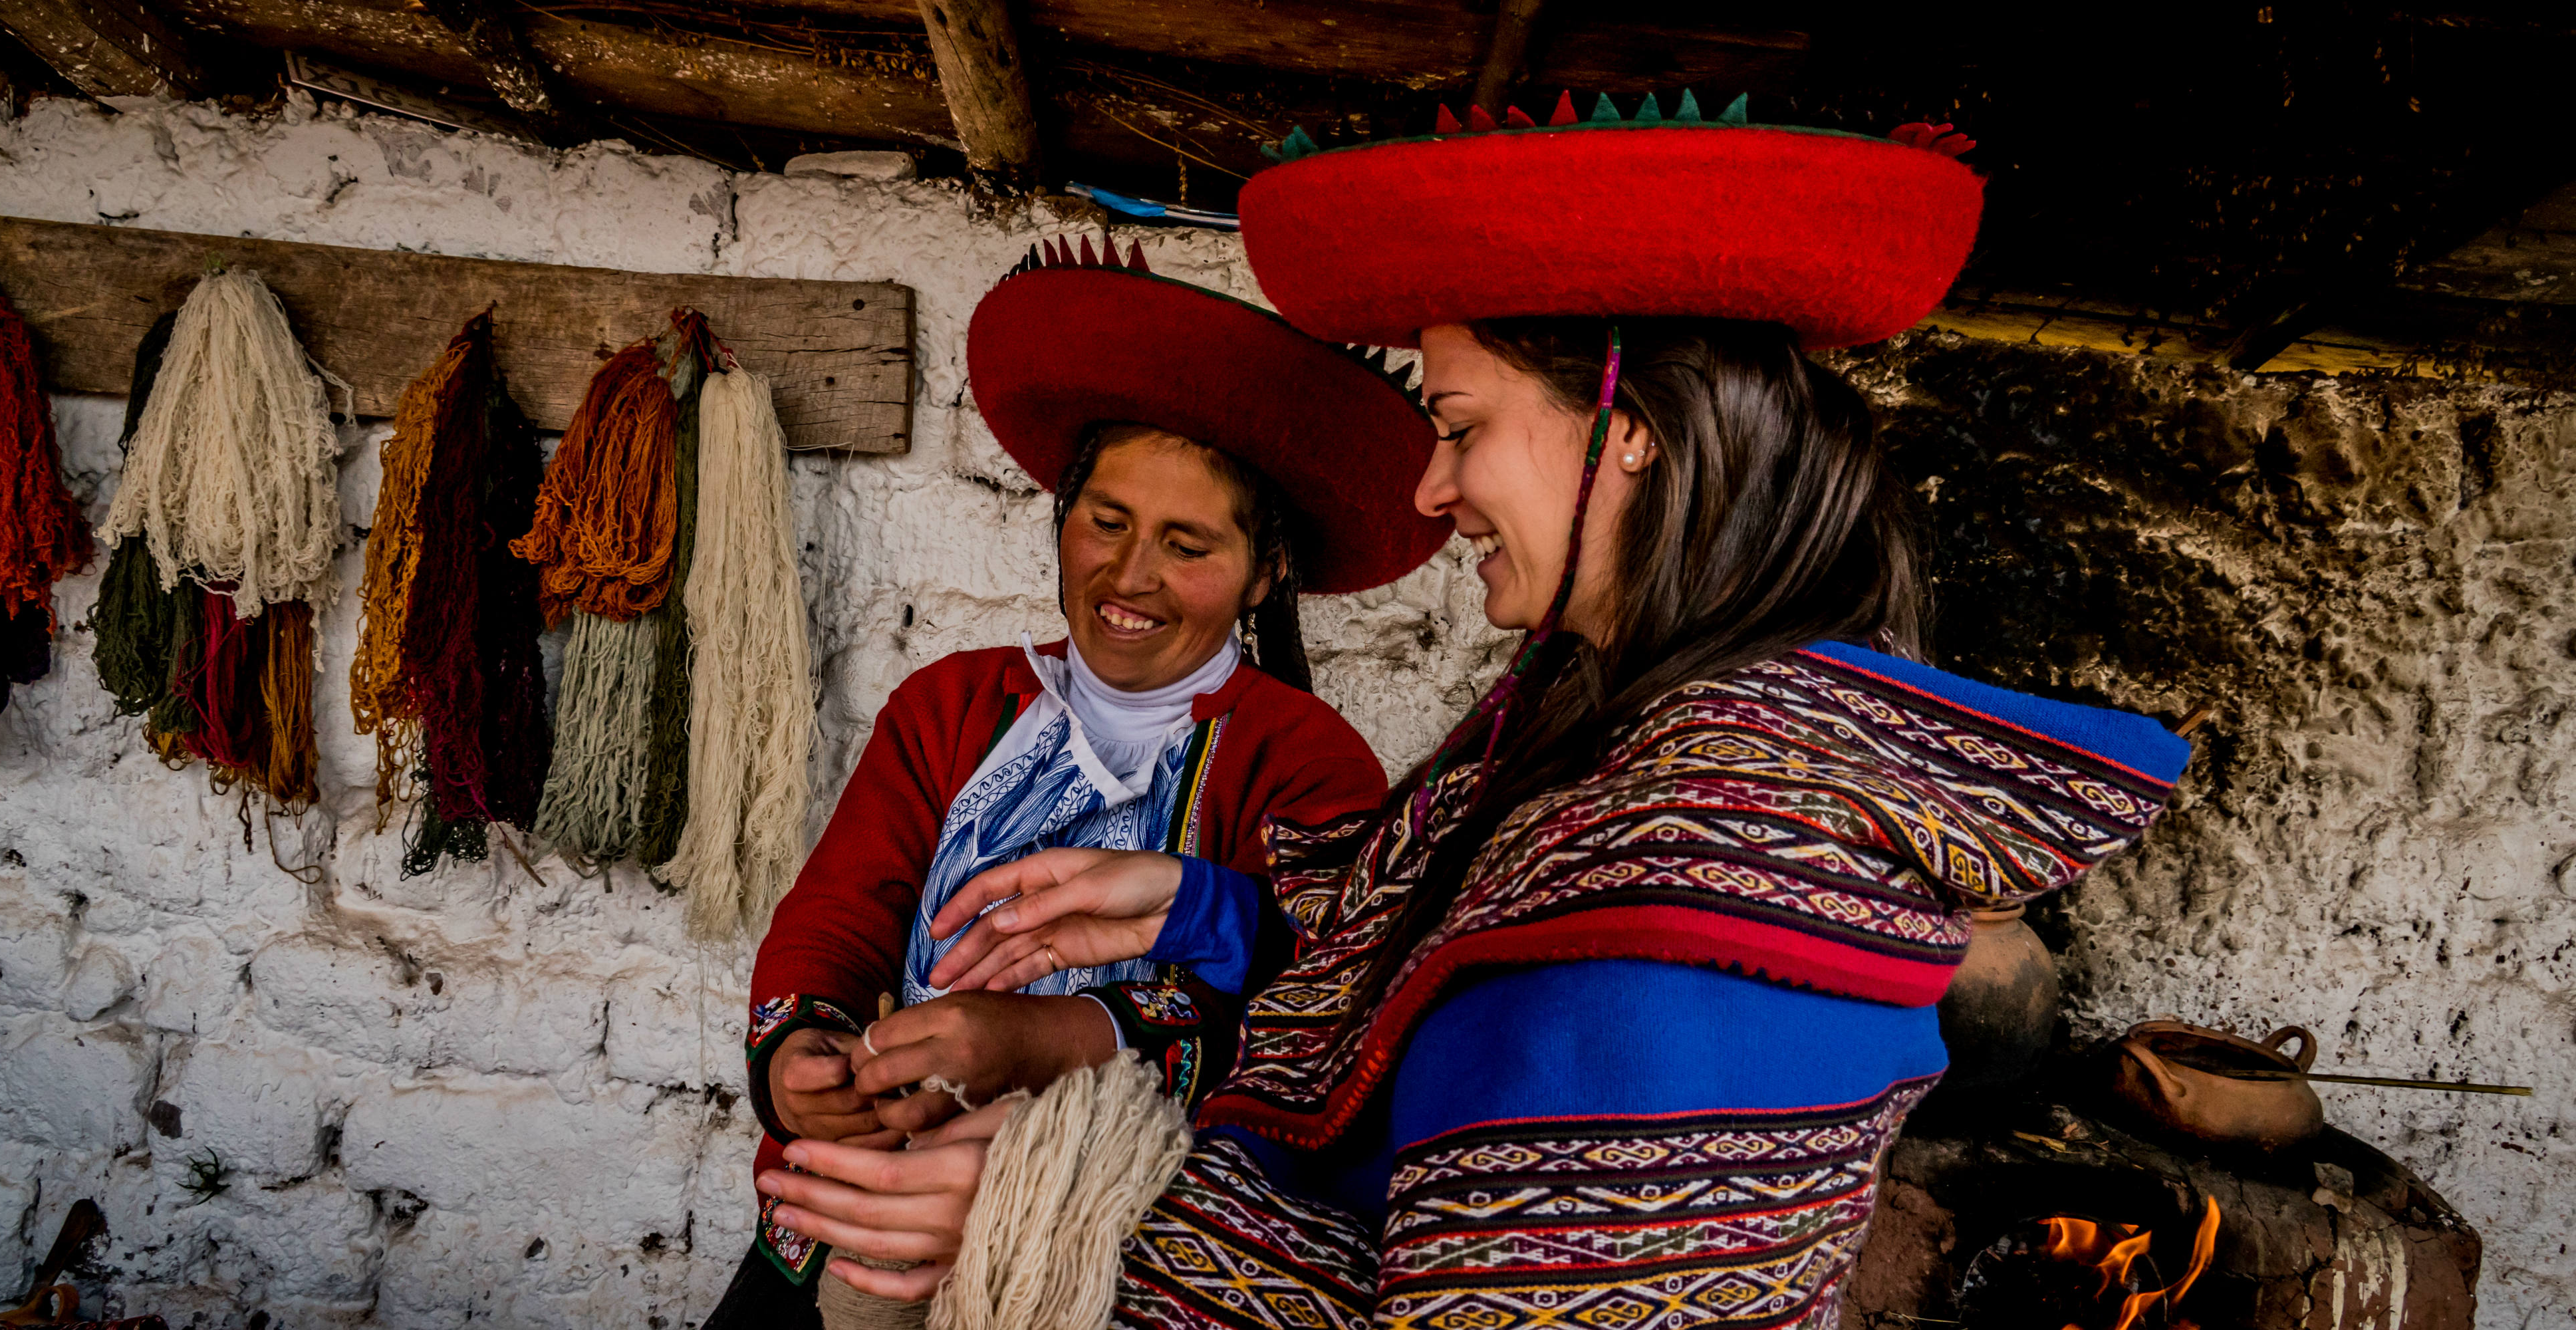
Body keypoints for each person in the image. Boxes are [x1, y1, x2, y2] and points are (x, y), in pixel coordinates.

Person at [753, 104, 2195, 1327]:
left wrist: (1052, 1186)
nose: (1433, 491)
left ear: (1626, 427)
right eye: (1104, 523)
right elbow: (1414, 1000)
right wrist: (1182, 902)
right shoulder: (1591, 742)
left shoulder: (1719, 836)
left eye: (1457, 428)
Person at [702, 237, 1449, 1326]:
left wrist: (1036, 1043)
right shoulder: (954, 708)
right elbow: (840, 911)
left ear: (1266, 573)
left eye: (1187, 544)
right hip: (876, 1208)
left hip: (1106, 1251)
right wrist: (798, 1053)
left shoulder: (1303, 758)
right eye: (1106, 522)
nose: (1128, 575)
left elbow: (1302, 1002)